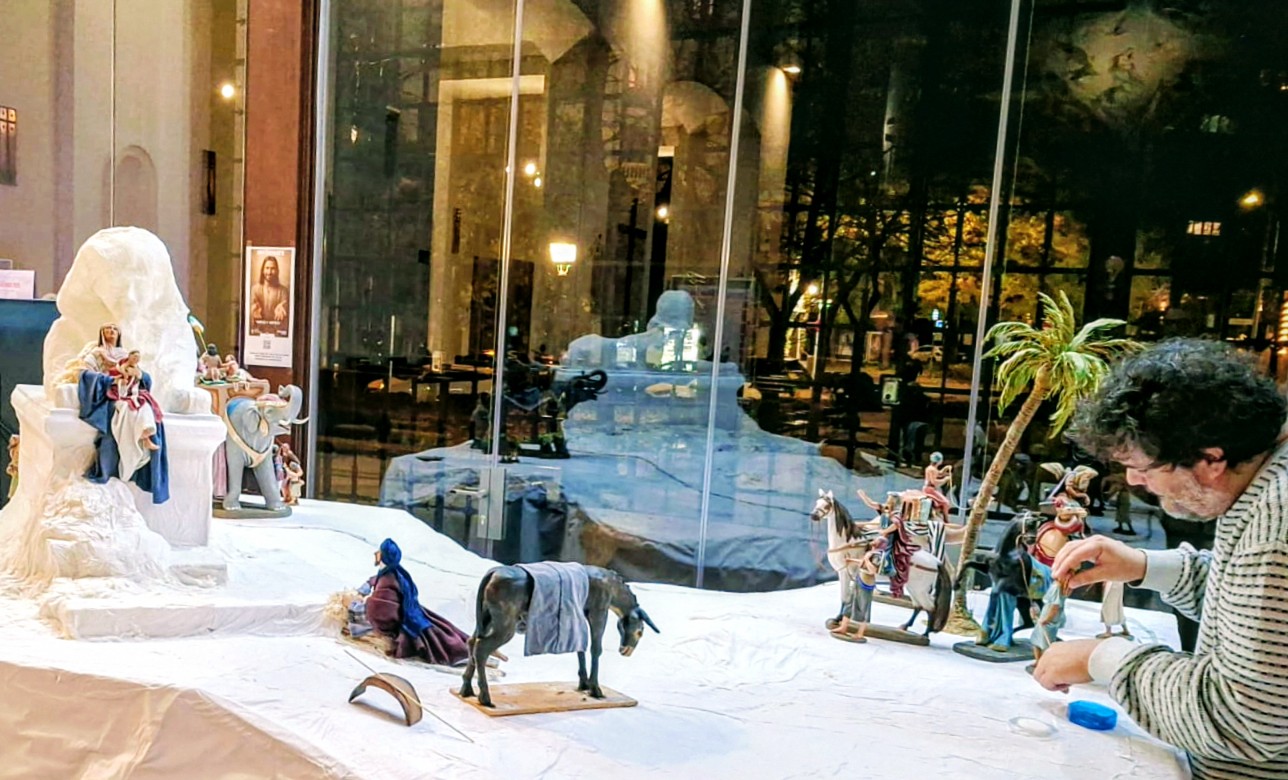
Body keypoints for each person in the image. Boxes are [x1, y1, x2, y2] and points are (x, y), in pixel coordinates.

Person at [1033, 339, 1288, 780]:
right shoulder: (1264, 481)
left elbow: (1244, 721)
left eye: (1142, 467)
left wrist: (1102, 658)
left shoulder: (1275, 524)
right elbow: (1255, 612)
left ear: (1210, 459)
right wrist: (1143, 566)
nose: (1134, 481)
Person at [74, 323, 168, 502]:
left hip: (128, 392)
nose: (111, 332)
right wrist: (110, 380)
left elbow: (144, 378)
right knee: (125, 409)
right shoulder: (95, 354)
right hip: (110, 393)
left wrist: (138, 375)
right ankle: (131, 449)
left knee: (144, 406)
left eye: (114, 329)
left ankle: (145, 437)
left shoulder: (125, 355)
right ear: (101, 333)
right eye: (107, 329)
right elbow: (84, 376)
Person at [364, 538, 471, 666]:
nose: (376, 554)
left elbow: (381, 612)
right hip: (410, 610)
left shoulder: (388, 580)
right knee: (435, 626)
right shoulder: (396, 573)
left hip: (402, 618)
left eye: (379, 552)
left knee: (430, 631)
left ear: (383, 556)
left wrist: (363, 604)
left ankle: (457, 651)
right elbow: (381, 579)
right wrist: (369, 583)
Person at [250, 255, 289, 335]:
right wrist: (253, 311)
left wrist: (283, 308)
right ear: (262, 270)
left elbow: (286, 312)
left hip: (277, 333)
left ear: (277, 271)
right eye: (267, 268)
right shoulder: (255, 289)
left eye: (272, 268)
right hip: (258, 332)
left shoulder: (284, 291)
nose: (269, 272)